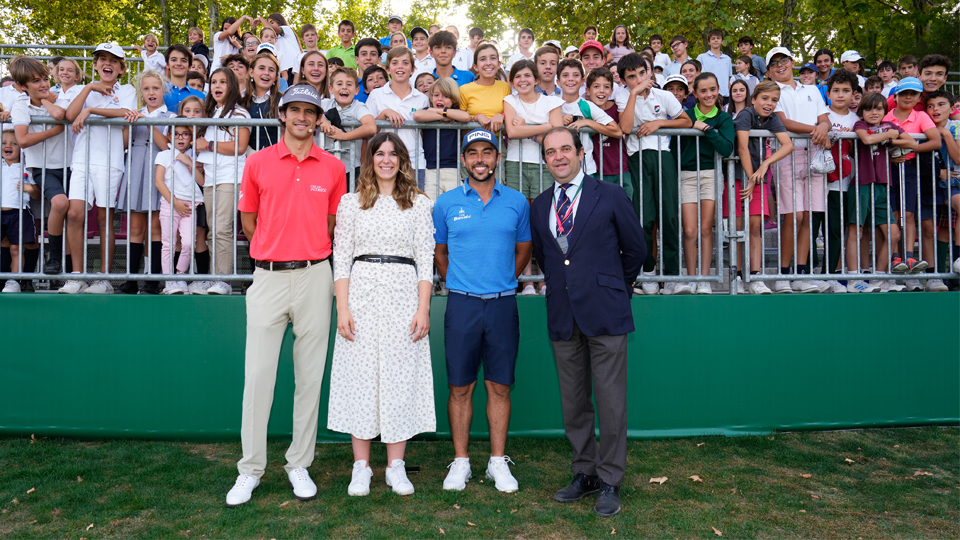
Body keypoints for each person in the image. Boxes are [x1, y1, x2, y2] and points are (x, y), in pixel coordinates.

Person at [227, 84, 347, 508]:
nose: (301, 117)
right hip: (268, 277)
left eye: (309, 111)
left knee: (309, 377)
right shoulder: (258, 162)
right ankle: (250, 469)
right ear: (282, 115)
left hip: (316, 276)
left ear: (318, 119)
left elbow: (332, 225)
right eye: (293, 109)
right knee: (258, 377)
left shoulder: (334, 167)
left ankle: (299, 463)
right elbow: (248, 221)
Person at [529, 125, 644, 517]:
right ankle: (585, 471)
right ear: (545, 159)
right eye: (551, 152)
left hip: (606, 312)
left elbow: (636, 249)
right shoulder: (541, 203)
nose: (558, 157)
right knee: (574, 402)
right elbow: (547, 258)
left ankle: (610, 478)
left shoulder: (609, 195)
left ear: (581, 153)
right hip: (563, 313)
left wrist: (615, 288)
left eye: (565, 149)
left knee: (611, 402)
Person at [328, 131, 436, 497]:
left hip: (404, 293)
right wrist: (342, 306)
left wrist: (424, 308)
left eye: (393, 154)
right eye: (380, 154)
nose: (386, 160)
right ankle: (362, 467)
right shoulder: (350, 202)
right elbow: (340, 257)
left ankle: (395, 466)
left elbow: (426, 260)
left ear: (402, 160)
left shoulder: (419, 203)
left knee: (399, 375)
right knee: (360, 375)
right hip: (360, 292)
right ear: (370, 159)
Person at [432, 128, 531, 494]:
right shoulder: (445, 203)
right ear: (463, 159)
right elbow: (440, 254)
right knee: (460, 387)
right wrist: (462, 282)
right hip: (462, 305)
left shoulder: (517, 202)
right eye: (472, 152)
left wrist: (502, 278)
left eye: (487, 152)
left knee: (499, 386)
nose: (479, 159)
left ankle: (496, 462)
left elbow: (523, 250)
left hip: (504, 304)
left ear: (497, 158)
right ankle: (461, 462)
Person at [62, 43, 139, 294]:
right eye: (102, 59)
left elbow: (125, 113)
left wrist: (92, 110)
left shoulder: (127, 90)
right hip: (82, 160)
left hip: (110, 161)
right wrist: (89, 90)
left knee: (105, 217)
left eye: (114, 61)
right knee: (74, 214)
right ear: (94, 65)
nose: (108, 63)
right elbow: (70, 115)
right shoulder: (84, 89)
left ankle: (104, 278)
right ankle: (77, 276)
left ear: (121, 69)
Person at [617, 53, 692, 295]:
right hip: (637, 158)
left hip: (663, 157)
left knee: (669, 216)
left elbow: (686, 121)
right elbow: (626, 128)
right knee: (644, 217)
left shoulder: (665, 95)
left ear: (649, 72)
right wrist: (633, 94)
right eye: (631, 77)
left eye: (641, 73)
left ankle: (671, 275)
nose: (638, 79)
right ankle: (647, 273)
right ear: (624, 80)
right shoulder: (623, 95)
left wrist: (659, 123)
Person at [766, 47, 832, 294]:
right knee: (794, 215)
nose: (780, 65)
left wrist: (823, 126)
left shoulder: (812, 89)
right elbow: (784, 122)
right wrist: (817, 130)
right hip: (788, 155)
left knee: (809, 215)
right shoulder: (773, 91)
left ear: (792, 62)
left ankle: (801, 273)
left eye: (783, 60)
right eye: (774, 63)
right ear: (769, 70)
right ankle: (784, 274)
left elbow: (824, 117)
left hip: (814, 155)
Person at [732, 80, 794, 295]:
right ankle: (738, 276)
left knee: (756, 228)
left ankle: (756, 277)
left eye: (774, 100)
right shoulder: (745, 115)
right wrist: (751, 177)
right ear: (754, 99)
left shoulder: (774, 118)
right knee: (739, 230)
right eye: (765, 98)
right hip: (739, 179)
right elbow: (742, 147)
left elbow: (788, 144)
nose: (769, 104)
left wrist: (766, 163)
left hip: (757, 179)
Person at [849, 92, 915, 293]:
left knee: (894, 234)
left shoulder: (890, 126)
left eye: (878, 108)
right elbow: (867, 140)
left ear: (884, 111)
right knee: (856, 230)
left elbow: (912, 143)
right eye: (869, 108)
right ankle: (853, 279)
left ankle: (880, 276)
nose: (874, 112)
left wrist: (889, 141)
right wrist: (887, 136)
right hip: (861, 184)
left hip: (882, 185)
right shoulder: (860, 125)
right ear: (862, 111)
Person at [8, 56, 67, 278]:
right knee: (60, 203)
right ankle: (54, 259)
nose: (43, 84)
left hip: (72, 165)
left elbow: (61, 113)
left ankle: (74, 272)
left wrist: (47, 102)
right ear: (22, 87)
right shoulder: (21, 105)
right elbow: (22, 140)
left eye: (45, 78)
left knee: (74, 215)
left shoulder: (62, 97)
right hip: (43, 167)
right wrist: (54, 130)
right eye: (35, 81)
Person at [117, 69, 173, 295]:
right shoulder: (134, 113)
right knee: (135, 227)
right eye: (147, 88)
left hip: (157, 172)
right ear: (141, 91)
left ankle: (152, 279)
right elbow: (122, 144)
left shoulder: (170, 117)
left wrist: (148, 121)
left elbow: (167, 146)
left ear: (163, 91)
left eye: (156, 88)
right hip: (136, 170)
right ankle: (131, 279)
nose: (151, 92)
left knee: (155, 227)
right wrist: (129, 123)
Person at [884, 77, 942, 292]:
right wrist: (892, 152)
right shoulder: (886, 116)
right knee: (895, 217)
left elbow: (935, 141)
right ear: (896, 96)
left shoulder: (921, 115)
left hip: (910, 170)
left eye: (913, 94)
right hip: (889, 170)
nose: (908, 97)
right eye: (904, 93)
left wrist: (907, 148)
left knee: (908, 216)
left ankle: (909, 261)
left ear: (919, 97)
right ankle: (895, 259)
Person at [678, 73, 734, 294]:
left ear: (718, 90)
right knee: (690, 230)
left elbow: (727, 148)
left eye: (712, 89)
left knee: (705, 228)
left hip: (711, 174)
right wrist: (694, 124)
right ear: (695, 94)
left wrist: (707, 130)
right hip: (686, 176)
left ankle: (704, 278)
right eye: (703, 91)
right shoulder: (686, 115)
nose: (709, 94)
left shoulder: (723, 118)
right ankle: (691, 278)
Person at [196, 68, 250, 296]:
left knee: (222, 229)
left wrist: (207, 146)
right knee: (212, 231)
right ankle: (214, 277)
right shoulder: (210, 113)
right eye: (213, 82)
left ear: (232, 86)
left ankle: (225, 281)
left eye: (223, 82)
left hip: (230, 176)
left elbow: (239, 147)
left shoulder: (239, 113)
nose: (217, 86)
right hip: (210, 178)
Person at [366, 47, 431, 185]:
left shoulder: (422, 99)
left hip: (414, 163)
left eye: (405, 63)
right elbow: (369, 130)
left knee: (414, 204)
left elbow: (424, 134)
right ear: (388, 69)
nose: (400, 66)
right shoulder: (376, 95)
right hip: (384, 163)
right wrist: (384, 114)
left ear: (412, 70)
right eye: (395, 62)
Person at [154, 124, 205, 294]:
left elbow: (202, 182)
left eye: (185, 134)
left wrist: (190, 162)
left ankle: (180, 274)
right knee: (168, 243)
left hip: (191, 205)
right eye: (176, 134)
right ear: (169, 136)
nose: (181, 137)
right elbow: (159, 182)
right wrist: (175, 202)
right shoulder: (163, 155)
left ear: (191, 138)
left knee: (190, 242)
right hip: (170, 204)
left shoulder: (195, 156)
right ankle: (170, 280)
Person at [413, 77, 472, 197]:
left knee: (454, 205)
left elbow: (466, 117)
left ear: (453, 99)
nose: (440, 98)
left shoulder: (455, 112)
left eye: (445, 96)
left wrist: (443, 112)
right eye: (436, 95)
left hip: (453, 169)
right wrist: (443, 117)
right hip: (431, 170)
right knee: (431, 205)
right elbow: (417, 115)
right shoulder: (429, 111)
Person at [319, 67, 376, 183]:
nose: (344, 87)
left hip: (350, 168)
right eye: (339, 84)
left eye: (349, 84)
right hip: (324, 167)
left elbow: (371, 127)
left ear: (356, 90)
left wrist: (344, 136)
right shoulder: (324, 104)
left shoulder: (358, 107)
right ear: (331, 89)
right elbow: (307, 113)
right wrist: (320, 118)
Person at [926, 91, 960, 280]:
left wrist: (946, 133)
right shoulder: (924, 126)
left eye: (941, 105)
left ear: (952, 108)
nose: (935, 109)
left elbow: (957, 157)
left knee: (947, 227)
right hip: (935, 183)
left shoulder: (956, 126)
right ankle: (944, 270)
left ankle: (953, 274)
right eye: (931, 106)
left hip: (954, 180)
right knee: (942, 226)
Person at [1, 128, 40, 292]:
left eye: (14, 143)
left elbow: (37, 194)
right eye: (3, 143)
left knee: (16, 248)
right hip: (1, 214)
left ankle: (14, 280)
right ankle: (3, 278)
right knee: (3, 244)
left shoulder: (25, 168)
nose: (7, 146)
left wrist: (29, 189)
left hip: (19, 212)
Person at [458, 42, 510, 133]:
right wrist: (476, 118)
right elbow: (459, 125)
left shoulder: (505, 87)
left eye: (493, 58)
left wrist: (501, 115)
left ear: (499, 64)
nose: (488, 63)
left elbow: (510, 117)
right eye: (483, 59)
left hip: (498, 143)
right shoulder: (464, 90)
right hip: (472, 142)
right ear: (475, 66)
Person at [244, 52, 282, 151]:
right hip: (249, 160)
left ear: (276, 77)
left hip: (275, 158)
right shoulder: (241, 101)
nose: (266, 73)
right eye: (261, 68)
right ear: (251, 72)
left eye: (271, 70)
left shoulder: (283, 100)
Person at [164, 44, 205, 112]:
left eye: (184, 60)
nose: (179, 63)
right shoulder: (159, 92)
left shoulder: (201, 96)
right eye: (174, 60)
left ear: (189, 66)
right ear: (167, 64)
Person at [696, 29, 732, 98]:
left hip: (725, 94)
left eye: (718, 38)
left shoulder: (727, 59)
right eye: (713, 39)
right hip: (709, 94)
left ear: (722, 41)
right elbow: (698, 77)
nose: (716, 40)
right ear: (709, 42)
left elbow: (729, 79)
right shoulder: (702, 57)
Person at [354, 38, 384, 102]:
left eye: (373, 54)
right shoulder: (349, 87)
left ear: (379, 59)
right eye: (364, 54)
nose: (368, 58)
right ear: (357, 59)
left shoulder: (387, 86)